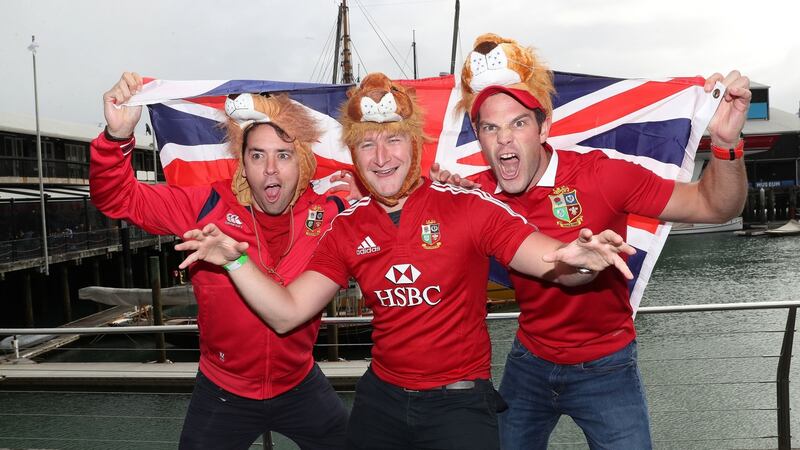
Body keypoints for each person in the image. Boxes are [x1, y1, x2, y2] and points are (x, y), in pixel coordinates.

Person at [175, 72, 638, 450]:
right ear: (353, 155)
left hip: (459, 406)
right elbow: (287, 312)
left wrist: (578, 261)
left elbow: (549, 260)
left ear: (414, 145)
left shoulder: (468, 206)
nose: (381, 158)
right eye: (367, 145)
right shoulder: (346, 227)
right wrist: (235, 262)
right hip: (381, 401)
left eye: (393, 140)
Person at [433, 33, 750, 449]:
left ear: (544, 127)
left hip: (607, 366)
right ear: (479, 137)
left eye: (518, 123)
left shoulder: (603, 176)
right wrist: (437, 204)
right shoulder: (475, 195)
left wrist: (725, 144)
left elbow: (714, 205)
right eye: (490, 128)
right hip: (529, 362)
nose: (504, 139)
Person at [90, 72, 357, 450]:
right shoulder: (205, 206)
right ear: (242, 164)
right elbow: (118, 199)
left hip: (300, 384)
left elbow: (397, 197)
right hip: (223, 390)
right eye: (257, 155)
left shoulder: (330, 211)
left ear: (302, 161)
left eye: (283, 155)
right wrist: (117, 137)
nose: (270, 168)